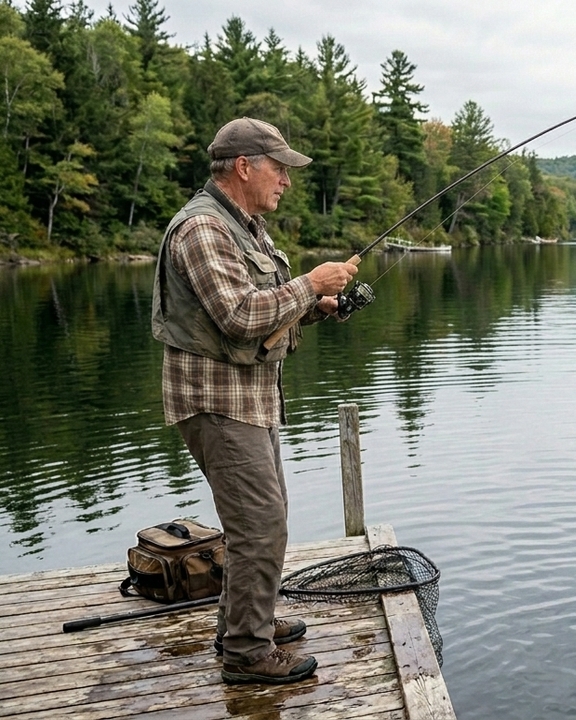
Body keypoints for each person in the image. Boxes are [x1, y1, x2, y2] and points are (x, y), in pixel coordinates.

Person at [151, 117, 358, 685]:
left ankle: (245, 623)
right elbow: (239, 316)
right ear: (244, 167)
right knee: (260, 526)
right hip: (215, 401)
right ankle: (246, 656)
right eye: (280, 169)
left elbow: (265, 307)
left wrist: (316, 308)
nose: (287, 181)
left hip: (251, 398)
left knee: (263, 521)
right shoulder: (202, 230)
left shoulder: (247, 227)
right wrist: (311, 284)